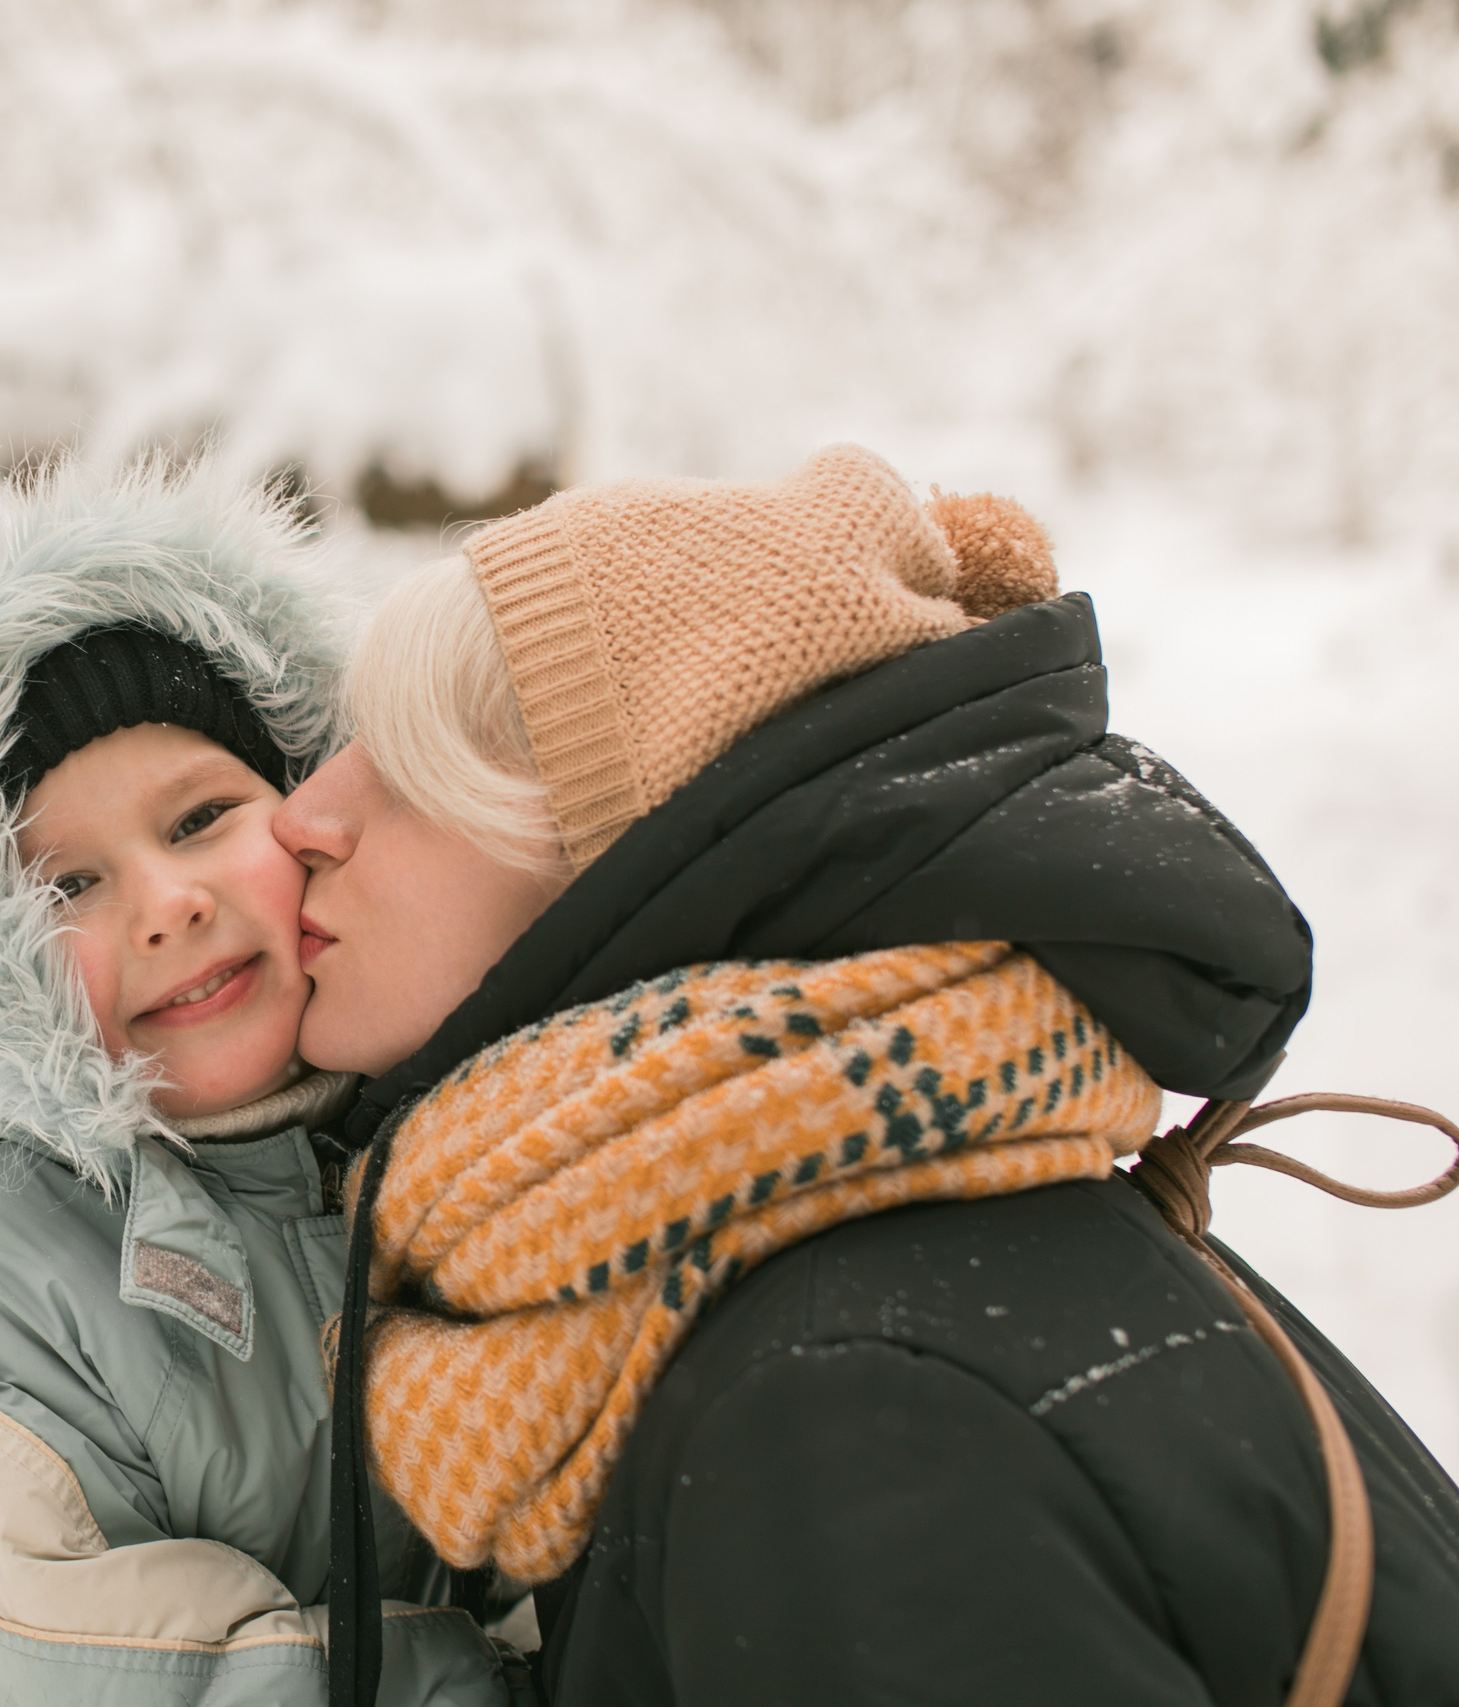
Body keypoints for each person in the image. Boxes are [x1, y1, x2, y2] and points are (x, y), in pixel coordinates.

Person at [272, 445, 1459, 1706]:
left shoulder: (845, 1411)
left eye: (402, 769)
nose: (303, 815)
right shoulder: (894, 1231)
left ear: (630, 859)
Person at [0, 472, 533, 1707]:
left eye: (202, 816)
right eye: (66, 888)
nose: (167, 905)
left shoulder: (449, 1135)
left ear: (313, 805)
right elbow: (112, 1674)